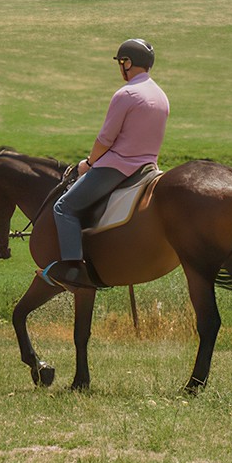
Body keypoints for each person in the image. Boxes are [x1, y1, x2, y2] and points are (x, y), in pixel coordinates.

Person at [43, 39, 169, 291]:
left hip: (118, 167)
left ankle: (74, 270)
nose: (120, 67)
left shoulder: (127, 94)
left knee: (64, 207)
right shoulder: (161, 96)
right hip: (148, 168)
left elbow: (105, 139)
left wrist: (89, 163)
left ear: (128, 63)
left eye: (121, 62)